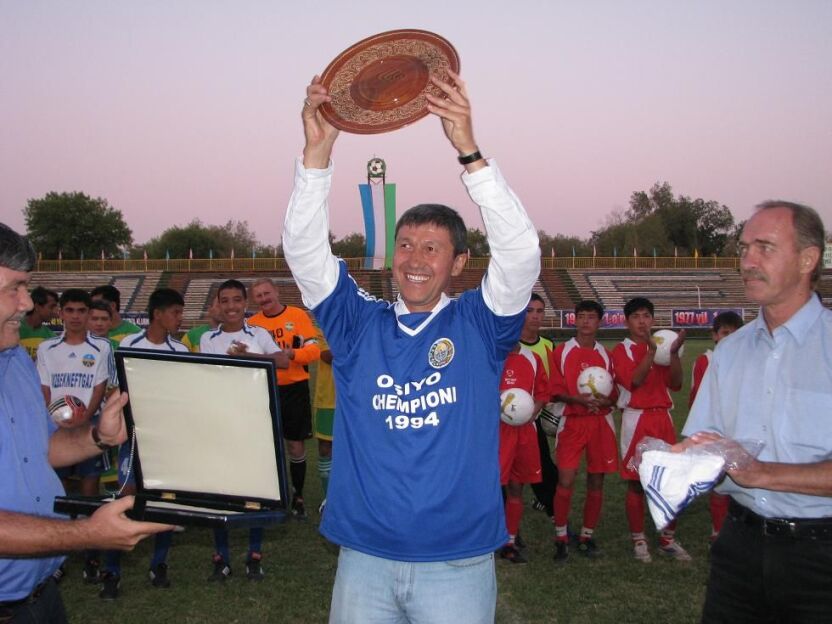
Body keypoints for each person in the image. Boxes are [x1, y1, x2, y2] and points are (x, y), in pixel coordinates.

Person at [283, 71, 539, 623]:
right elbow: (305, 254)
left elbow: (520, 255)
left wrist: (470, 153)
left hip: (457, 563)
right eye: (405, 245)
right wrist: (317, 158)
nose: (414, 259)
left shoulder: (480, 324)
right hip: (364, 558)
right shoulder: (357, 325)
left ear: (459, 262)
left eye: (431, 247)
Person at [0, 222, 170, 623]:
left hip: (40, 596)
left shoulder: (15, 360)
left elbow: (41, 450)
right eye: (14, 288)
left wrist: (98, 436)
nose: (27, 303)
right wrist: (88, 534)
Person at [682, 201, 831, 622]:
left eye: (765, 248)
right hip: (738, 548)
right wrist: (677, 460)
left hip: (822, 556)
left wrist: (762, 473)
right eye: (744, 248)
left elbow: (752, 470)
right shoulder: (729, 352)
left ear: (807, 259)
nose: (747, 261)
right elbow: (706, 446)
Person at [98, 288, 189, 600]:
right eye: (176, 312)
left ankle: (159, 563)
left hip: (166, 439)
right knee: (125, 498)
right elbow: (117, 389)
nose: (180, 318)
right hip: (135, 437)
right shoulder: (129, 344)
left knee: (164, 501)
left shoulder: (180, 350)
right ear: (158, 314)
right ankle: (111, 571)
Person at [200, 279, 289, 582]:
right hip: (221, 420)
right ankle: (221, 557)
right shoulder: (209, 339)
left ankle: (254, 555)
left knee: (255, 490)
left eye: (237, 300)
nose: (231, 307)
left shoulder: (258, 334)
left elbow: (282, 360)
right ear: (218, 304)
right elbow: (207, 376)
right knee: (220, 490)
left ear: (245, 304)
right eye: (225, 301)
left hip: (255, 421)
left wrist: (249, 358)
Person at [37, 289, 115, 583]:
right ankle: (56, 557)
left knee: (89, 489)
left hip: (88, 427)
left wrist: (84, 419)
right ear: (60, 313)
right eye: (69, 310)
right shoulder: (47, 348)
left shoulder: (102, 347)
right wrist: (55, 418)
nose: (76, 316)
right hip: (55, 427)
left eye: (81, 311)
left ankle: (91, 555)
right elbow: (45, 388)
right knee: (55, 492)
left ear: (88, 313)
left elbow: (100, 386)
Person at [612, 297, 690, 562]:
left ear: (653, 319)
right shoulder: (622, 350)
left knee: (669, 481)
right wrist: (651, 352)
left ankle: (667, 539)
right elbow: (634, 381)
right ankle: (639, 539)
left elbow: (676, 384)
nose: (642, 321)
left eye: (646, 316)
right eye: (636, 316)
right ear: (627, 322)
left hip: (663, 418)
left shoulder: (664, 346)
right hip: (636, 419)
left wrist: (673, 354)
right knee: (636, 482)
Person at [550, 300, 617, 562]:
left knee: (596, 480)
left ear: (599, 322)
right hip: (573, 422)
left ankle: (587, 536)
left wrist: (605, 401)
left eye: (591, 317)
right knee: (565, 480)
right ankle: (561, 537)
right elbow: (554, 390)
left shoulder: (606, 355)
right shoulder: (562, 351)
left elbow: (614, 392)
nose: (586, 321)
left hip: (600, 422)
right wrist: (577, 400)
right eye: (581, 316)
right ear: (575, 320)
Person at [249, 277, 321, 519]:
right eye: (259, 296)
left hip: (294, 389)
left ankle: (298, 496)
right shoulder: (253, 323)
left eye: (266, 293)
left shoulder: (297, 316)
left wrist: (292, 354)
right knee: (267, 446)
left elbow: (314, 350)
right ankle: (272, 496)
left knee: (294, 445)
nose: (264, 299)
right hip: (264, 389)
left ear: (276, 291)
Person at [686, 310, 743, 544]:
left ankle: (740, 532)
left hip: (741, 430)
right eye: (725, 333)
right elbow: (697, 398)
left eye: (735, 333)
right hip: (716, 430)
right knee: (719, 483)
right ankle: (718, 532)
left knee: (741, 480)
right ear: (715, 335)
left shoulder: (749, 361)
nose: (729, 338)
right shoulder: (705, 360)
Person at [497, 343, 548, 564]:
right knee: (490, 487)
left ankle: (510, 540)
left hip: (524, 430)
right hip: (495, 430)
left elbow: (543, 393)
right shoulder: (490, 354)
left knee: (516, 486)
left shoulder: (532, 358)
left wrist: (531, 411)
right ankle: (487, 537)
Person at [521, 293, 559, 519]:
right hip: (508, 418)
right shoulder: (509, 345)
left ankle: (551, 509)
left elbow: (551, 383)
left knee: (544, 466)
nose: (535, 316)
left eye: (539, 311)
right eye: (529, 311)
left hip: (535, 417)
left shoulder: (548, 345)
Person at [312, 327, 335, 516]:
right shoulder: (322, 326)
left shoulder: (361, 322)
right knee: (326, 447)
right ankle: (329, 498)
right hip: (329, 398)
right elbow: (328, 356)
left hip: (358, 398)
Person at [19, 286, 58, 359]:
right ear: (37, 307)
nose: (55, 312)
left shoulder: (51, 337)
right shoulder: (14, 330)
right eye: (51, 307)